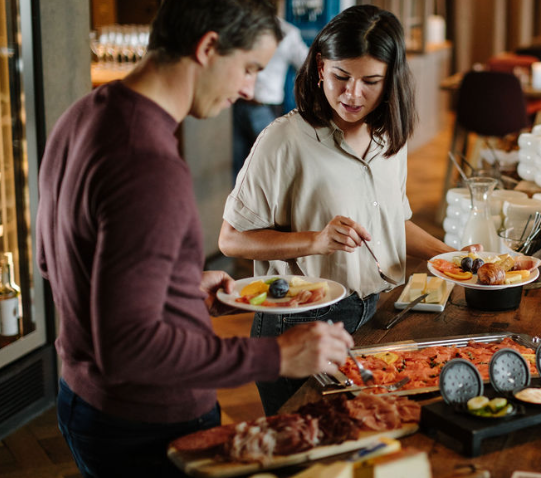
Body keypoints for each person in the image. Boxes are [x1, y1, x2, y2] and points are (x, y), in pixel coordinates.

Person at [35, 1, 354, 476]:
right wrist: (278, 354)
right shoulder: (149, 166)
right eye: (247, 68)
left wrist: (175, 286)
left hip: (83, 398)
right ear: (207, 47)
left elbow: (54, 260)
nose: (249, 89)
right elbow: (130, 347)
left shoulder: (83, 113)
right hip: (147, 423)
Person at [218, 5, 478, 414]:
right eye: (341, 77)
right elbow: (231, 240)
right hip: (298, 322)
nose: (353, 94)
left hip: (371, 312)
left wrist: (451, 257)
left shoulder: (390, 136)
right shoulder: (284, 141)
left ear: (391, 80)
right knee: (305, 452)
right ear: (320, 68)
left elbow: (392, 224)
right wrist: (316, 241)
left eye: (370, 81)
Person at [232, 17, 309, 181]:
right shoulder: (244, 25)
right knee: (241, 167)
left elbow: (308, 65)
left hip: (264, 108)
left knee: (271, 166)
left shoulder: (287, 33)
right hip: (238, 104)